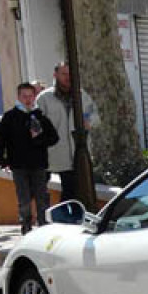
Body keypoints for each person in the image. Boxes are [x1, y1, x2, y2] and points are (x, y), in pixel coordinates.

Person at [0, 82, 59, 234]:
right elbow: (0, 140)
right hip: (18, 164)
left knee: (41, 196)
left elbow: (54, 138)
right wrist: (2, 160)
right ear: (18, 97)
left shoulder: (40, 116)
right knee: (23, 197)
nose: (28, 99)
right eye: (24, 96)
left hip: (39, 163)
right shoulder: (10, 117)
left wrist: (39, 139)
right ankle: (26, 223)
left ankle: (43, 224)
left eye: (30, 96)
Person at [36, 62, 98, 202]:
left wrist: (89, 121)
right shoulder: (44, 98)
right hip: (53, 152)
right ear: (55, 75)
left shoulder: (82, 95)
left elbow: (94, 115)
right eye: (64, 74)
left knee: (72, 191)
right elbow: (35, 124)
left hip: (77, 152)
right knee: (41, 191)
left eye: (70, 74)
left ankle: (67, 219)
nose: (68, 78)